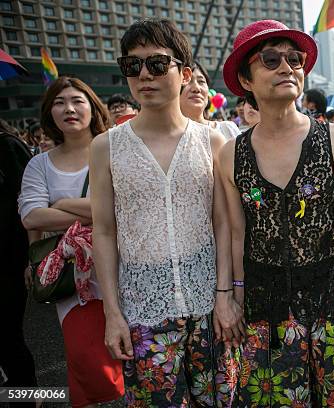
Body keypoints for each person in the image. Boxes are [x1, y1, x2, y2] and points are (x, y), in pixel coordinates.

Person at [219, 19, 334, 405]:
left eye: (295, 59)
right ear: (246, 80)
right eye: (271, 59)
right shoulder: (230, 154)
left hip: (331, 301)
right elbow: (236, 234)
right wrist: (231, 298)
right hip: (264, 308)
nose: (287, 67)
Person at [89, 18, 241, 406]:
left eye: (157, 64)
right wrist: (112, 313)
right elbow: (104, 232)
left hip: (209, 303)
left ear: (184, 73)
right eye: (132, 65)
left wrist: (226, 295)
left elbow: (223, 223)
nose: (144, 75)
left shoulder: (214, 139)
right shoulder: (106, 146)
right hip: (142, 307)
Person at [18, 77, 124, 407]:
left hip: (129, 267)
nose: (69, 108)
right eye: (60, 102)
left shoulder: (117, 151)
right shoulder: (40, 164)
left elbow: (128, 208)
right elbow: (32, 217)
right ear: (50, 113)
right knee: (87, 360)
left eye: (77, 100)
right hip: (73, 279)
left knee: (137, 358)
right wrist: (98, 213)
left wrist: (61, 205)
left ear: (93, 106)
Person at [0, 119, 38, 402]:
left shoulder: (7, 146)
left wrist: (31, 257)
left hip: (8, 259)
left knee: (7, 336)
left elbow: (31, 204)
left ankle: (26, 396)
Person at [180, 61, 241, 140]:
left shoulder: (227, 129)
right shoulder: (166, 137)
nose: (196, 88)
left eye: (201, 81)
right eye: (188, 81)